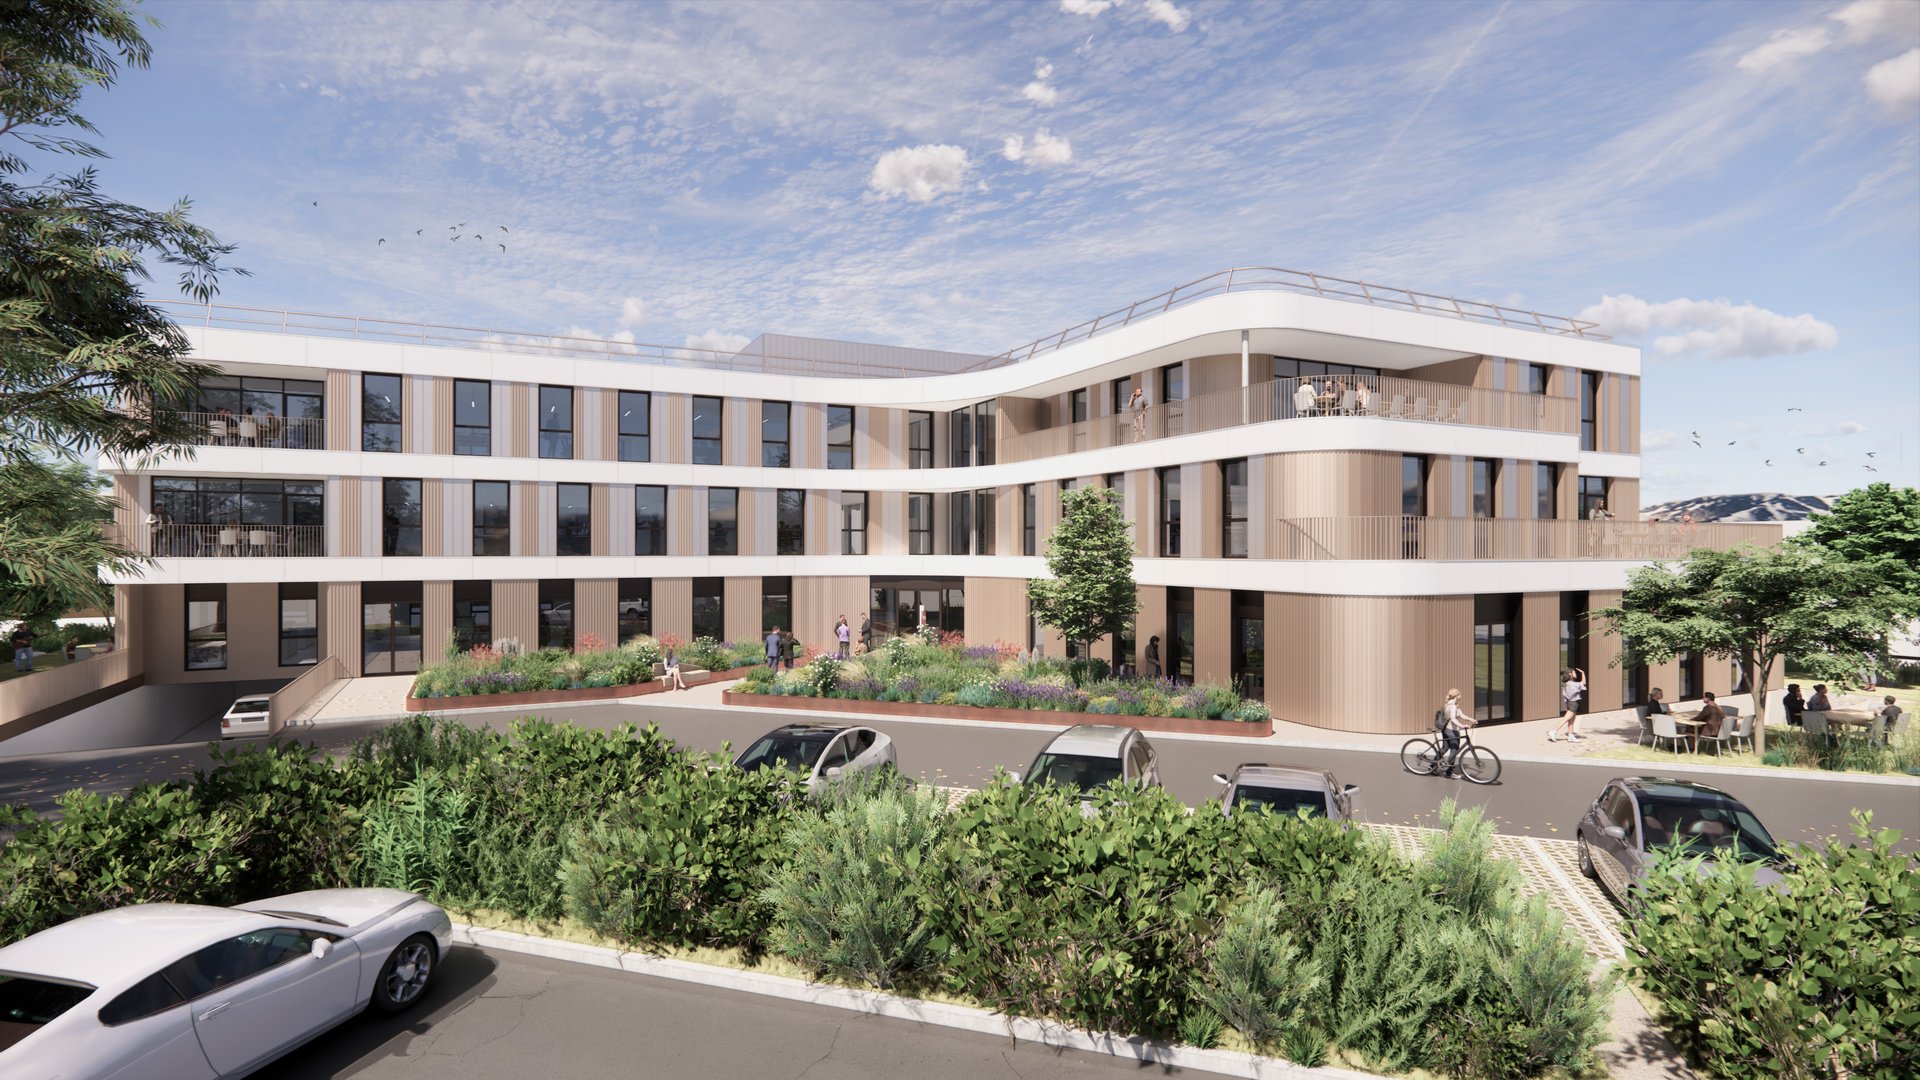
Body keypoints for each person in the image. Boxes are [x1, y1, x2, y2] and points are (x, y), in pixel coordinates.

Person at [1549, 667, 1586, 743]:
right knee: (1566, 719)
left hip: (1571, 704)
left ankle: (1570, 736)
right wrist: (1583, 673)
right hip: (1573, 704)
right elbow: (1583, 683)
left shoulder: (1566, 684)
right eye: (1574, 673)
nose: (1575, 674)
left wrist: (1566, 706)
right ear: (1570, 674)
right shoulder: (1572, 684)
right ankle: (1553, 731)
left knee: (1571, 721)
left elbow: (1565, 697)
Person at [1438, 687, 1470, 770]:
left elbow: (1461, 715)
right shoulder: (1452, 706)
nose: (1461, 695)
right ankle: (1449, 772)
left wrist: (1471, 719)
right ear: (1457, 695)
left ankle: (1432, 767)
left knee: (1444, 749)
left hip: (1445, 730)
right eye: (1459, 694)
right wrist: (1462, 726)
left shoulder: (1451, 704)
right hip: (1452, 731)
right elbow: (1453, 719)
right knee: (1454, 751)